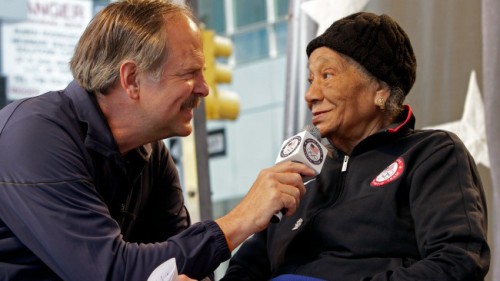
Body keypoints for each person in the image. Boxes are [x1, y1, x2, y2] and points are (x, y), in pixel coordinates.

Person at [0, 1, 315, 280]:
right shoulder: (33, 136)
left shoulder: (152, 153)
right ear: (132, 80)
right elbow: (112, 272)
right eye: (190, 73)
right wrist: (241, 219)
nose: (204, 88)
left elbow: (187, 263)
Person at [221, 12, 490, 281]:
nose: (310, 95)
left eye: (327, 75)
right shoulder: (300, 173)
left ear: (380, 89)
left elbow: (456, 262)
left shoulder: (432, 154)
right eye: (310, 80)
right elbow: (245, 270)